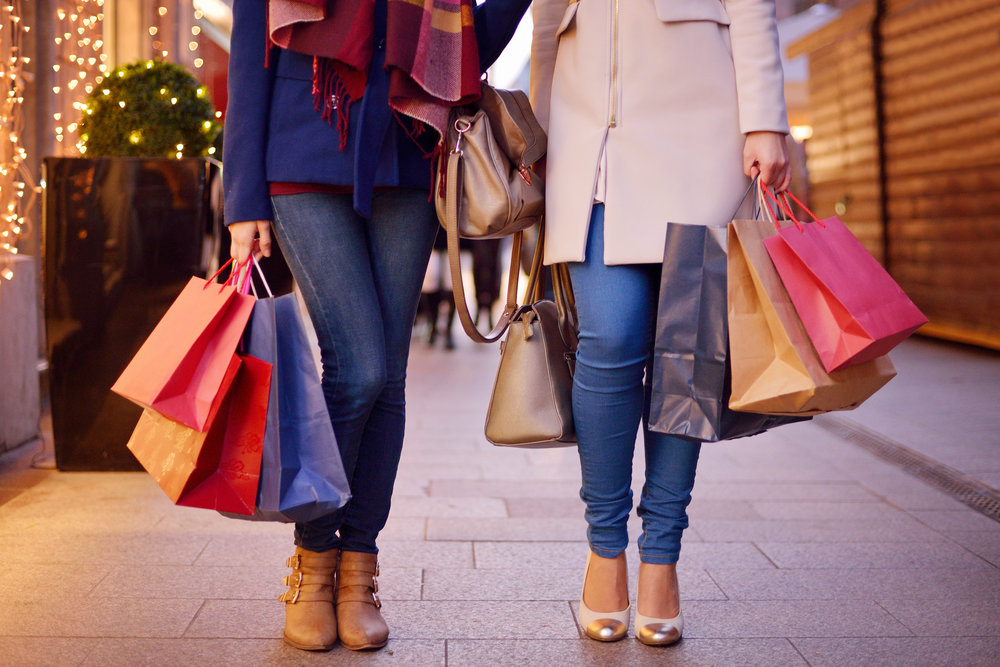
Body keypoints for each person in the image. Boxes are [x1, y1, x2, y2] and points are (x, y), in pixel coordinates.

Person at [224, 0, 531, 652]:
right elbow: (250, 45)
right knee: (357, 365)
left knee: (387, 375)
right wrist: (241, 197)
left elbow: (473, 42)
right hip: (303, 144)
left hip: (412, 152)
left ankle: (357, 568)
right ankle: (313, 563)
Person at [530, 0, 791, 647]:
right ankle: (605, 547)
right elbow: (542, 18)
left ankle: (662, 555)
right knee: (609, 335)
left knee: (688, 350)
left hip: (700, 132)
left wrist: (765, 122)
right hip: (587, 141)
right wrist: (532, 131)